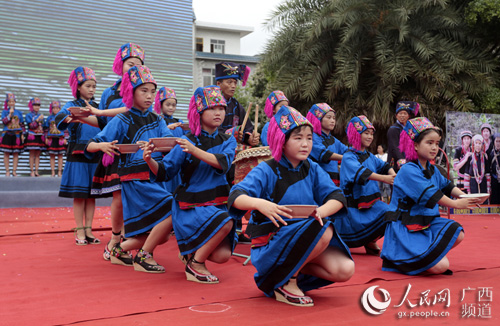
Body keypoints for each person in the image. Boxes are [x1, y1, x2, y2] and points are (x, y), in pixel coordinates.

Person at [228, 105, 354, 307]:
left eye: (309, 138)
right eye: (298, 138)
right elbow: (236, 196)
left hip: (303, 236)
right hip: (270, 243)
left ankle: (287, 272)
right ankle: (287, 281)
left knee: (344, 269)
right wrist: (260, 204)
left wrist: (320, 211)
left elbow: (337, 197)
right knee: (323, 229)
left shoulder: (311, 168)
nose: (305, 144)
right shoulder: (267, 169)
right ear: (282, 140)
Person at [144, 85, 238, 283]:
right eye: (212, 109)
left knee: (223, 256)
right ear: (199, 112)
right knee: (225, 221)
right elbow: (165, 172)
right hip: (189, 206)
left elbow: (222, 163)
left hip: (216, 203)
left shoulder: (228, 141)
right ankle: (195, 264)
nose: (218, 113)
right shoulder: (186, 141)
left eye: (221, 108)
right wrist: (150, 161)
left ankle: (191, 253)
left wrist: (194, 150)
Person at [86, 65, 174, 273]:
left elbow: (168, 144)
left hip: (154, 178)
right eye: (144, 90)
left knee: (161, 229)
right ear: (130, 92)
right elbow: (91, 145)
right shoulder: (121, 119)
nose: (150, 96)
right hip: (134, 180)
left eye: (153, 91)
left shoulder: (157, 119)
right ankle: (143, 256)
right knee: (172, 210)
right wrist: (102, 146)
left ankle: (120, 249)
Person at [381, 117, 479, 275]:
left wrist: (468, 197)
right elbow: (431, 194)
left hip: (426, 223)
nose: (435, 147)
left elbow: (448, 186)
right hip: (406, 228)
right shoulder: (408, 170)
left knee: (457, 233)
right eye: (429, 143)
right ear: (415, 145)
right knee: (441, 266)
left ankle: (424, 256)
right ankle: (402, 257)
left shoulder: (433, 170)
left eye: (437, 143)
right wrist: (456, 205)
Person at [87, 42, 144, 261]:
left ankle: (133, 238)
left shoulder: (142, 90)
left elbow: (131, 108)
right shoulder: (109, 93)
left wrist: (100, 110)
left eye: (138, 65)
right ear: (120, 65)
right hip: (116, 150)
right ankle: (115, 239)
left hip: (139, 151)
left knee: (137, 197)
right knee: (119, 198)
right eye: (130, 64)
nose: (133, 68)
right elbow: (102, 123)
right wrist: (82, 116)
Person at [55, 66, 105, 245]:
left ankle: (90, 230)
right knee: (79, 194)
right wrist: (67, 117)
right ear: (78, 87)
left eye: (94, 86)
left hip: (95, 153)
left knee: (91, 195)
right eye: (88, 86)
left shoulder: (99, 108)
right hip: (77, 154)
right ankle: (80, 230)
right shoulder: (71, 105)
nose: (92, 89)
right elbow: (59, 118)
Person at [335, 116, 395, 255]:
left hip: (371, 203)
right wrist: (385, 179)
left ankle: (370, 240)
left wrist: (393, 176)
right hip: (354, 206)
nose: (370, 137)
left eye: (371, 134)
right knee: (386, 213)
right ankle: (367, 241)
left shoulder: (369, 155)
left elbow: (384, 166)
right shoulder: (349, 156)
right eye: (366, 133)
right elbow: (362, 173)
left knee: (390, 214)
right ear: (356, 134)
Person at [215, 61, 259, 146]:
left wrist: (249, 138)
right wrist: (234, 132)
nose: (233, 86)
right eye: (229, 82)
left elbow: (247, 128)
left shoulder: (236, 105)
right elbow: (211, 130)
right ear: (218, 84)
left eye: (235, 82)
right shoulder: (211, 104)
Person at [306, 103, 347, 186]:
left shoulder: (334, 140)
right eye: (329, 117)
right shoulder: (311, 137)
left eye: (334, 118)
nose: (332, 121)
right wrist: (347, 158)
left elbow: (347, 151)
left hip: (334, 180)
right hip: (317, 180)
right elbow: (323, 153)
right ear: (318, 119)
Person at [386, 101, 419, 171]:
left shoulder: (409, 129)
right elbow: (394, 146)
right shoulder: (393, 129)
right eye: (400, 113)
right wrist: (401, 160)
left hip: (407, 159)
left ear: (409, 116)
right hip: (396, 160)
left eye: (405, 113)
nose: (402, 116)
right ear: (396, 115)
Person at [1, 93, 24, 177]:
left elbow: (22, 124)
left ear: (15, 102)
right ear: (7, 103)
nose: (11, 103)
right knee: (6, 153)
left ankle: (14, 171)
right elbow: (4, 122)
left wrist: (22, 134)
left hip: (17, 135)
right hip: (7, 134)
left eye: (13, 101)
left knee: (15, 153)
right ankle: (7, 171)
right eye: (10, 101)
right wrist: (9, 114)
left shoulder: (18, 112)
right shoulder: (4, 112)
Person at [24, 97, 46, 177]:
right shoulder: (28, 115)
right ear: (32, 106)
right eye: (35, 105)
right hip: (32, 136)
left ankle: (36, 170)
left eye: (38, 105)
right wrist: (37, 120)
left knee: (37, 155)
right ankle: (32, 170)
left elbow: (43, 126)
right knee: (32, 154)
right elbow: (31, 126)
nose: (37, 107)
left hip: (39, 137)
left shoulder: (41, 115)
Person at [44, 100, 66, 177]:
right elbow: (46, 128)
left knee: (60, 156)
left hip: (60, 138)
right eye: (54, 108)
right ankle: (53, 172)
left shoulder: (63, 117)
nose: (55, 110)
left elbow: (66, 129)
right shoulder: (49, 118)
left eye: (57, 108)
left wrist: (65, 138)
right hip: (51, 138)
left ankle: (59, 172)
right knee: (52, 155)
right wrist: (46, 137)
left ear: (60, 109)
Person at [489, 133, 500, 204]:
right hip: (494, 179)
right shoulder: (491, 154)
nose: (498, 143)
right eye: (496, 141)